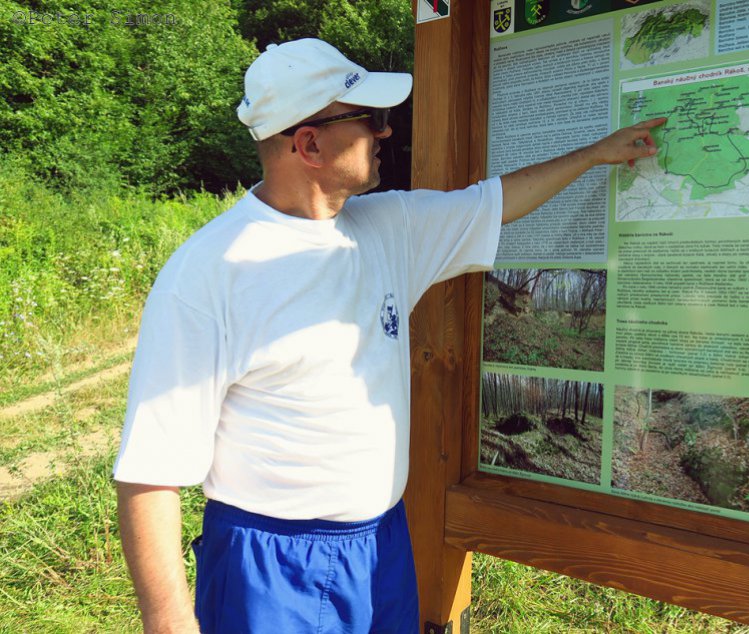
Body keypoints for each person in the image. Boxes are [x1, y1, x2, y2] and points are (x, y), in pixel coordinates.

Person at [113, 38, 665, 634]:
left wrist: (595, 154)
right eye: (370, 120)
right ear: (310, 144)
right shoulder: (211, 274)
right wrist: (169, 619)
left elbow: (497, 202)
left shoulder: (388, 227)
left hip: (381, 545)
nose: (385, 133)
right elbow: (151, 471)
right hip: (273, 565)